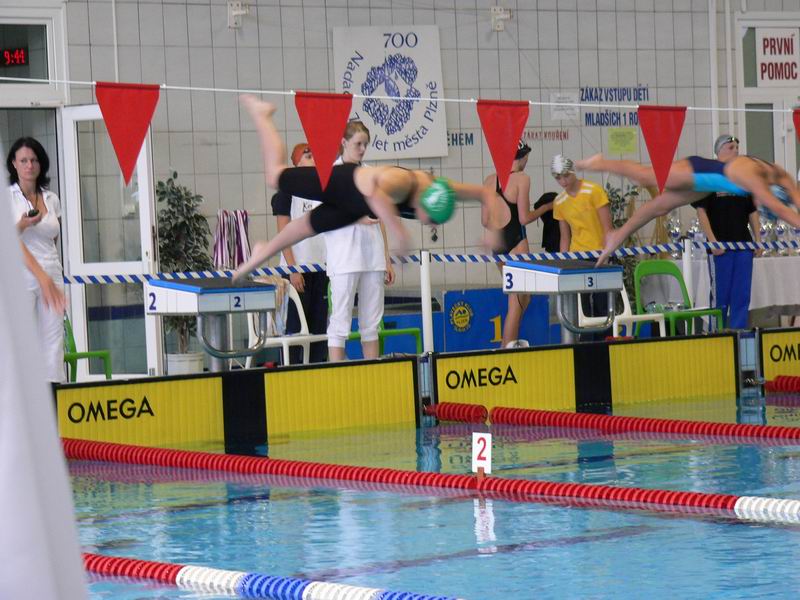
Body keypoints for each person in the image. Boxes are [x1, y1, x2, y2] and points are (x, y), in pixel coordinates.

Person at [232, 95, 510, 281]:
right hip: (344, 184)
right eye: (431, 219)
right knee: (275, 177)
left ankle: (261, 254)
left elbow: (487, 194)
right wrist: (400, 234)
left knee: (303, 228)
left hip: (354, 207)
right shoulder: (404, 184)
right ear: (426, 203)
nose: (429, 224)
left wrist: (493, 234)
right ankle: (263, 116)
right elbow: (375, 195)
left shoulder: (443, 189)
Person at [575, 152, 800, 265]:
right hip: (698, 171)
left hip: (708, 186)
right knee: (646, 177)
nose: (759, 203)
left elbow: (793, 201)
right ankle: (601, 162)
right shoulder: (752, 176)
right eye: (764, 200)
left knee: (659, 207)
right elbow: (780, 209)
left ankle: (617, 236)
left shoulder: (780, 175)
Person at [326, 121, 395, 361]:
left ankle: (372, 372)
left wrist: (386, 258)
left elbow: (381, 217)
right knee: (340, 322)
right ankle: (336, 375)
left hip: (372, 256)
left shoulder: (370, 174)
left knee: (371, 323)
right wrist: (356, 218)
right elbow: (323, 216)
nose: (363, 149)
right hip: (344, 258)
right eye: (358, 144)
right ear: (344, 143)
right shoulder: (330, 175)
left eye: (366, 144)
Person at [7, 137, 67, 383]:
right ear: (14, 164)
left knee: (53, 338)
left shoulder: (51, 199)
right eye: (23, 160)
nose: (29, 165)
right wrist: (22, 224)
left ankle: (52, 390)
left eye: (33, 160)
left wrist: (48, 272)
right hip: (22, 274)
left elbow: (53, 237)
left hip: (51, 271)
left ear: (41, 164)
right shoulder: (8, 197)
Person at [483, 140, 552, 347]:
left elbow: (485, 221)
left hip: (497, 244)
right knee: (516, 302)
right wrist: (546, 208)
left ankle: (508, 343)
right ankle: (507, 348)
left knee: (524, 297)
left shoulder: (489, 180)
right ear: (523, 157)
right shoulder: (522, 179)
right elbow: (524, 218)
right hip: (516, 243)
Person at [691, 135, 761, 330]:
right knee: (721, 296)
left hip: (743, 245)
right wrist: (712, 241)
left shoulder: (743, 179)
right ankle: (717, 335)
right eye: (731, 147)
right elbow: (701, 211)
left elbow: (752, 211)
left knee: (742, 295)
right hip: (720, 247)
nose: (736, 151)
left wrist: (758, 239)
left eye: (737, 147)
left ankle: (740, 334)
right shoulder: (709, 178)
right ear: (719, 151)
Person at [271, 142, 329, 363]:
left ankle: (317, 367)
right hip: (295, 269)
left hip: (320, 269)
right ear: (296, 162)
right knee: (295, 327)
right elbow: (283, 234)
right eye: (307, 154)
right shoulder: (287, 191)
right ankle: (292, 368)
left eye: (314, 153)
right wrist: (293, 269)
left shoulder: (323, 189)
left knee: (319, 328)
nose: (312, 156)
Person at [551, 154, 613, 341]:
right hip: (577, 257)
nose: (563, 181)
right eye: (558, 178)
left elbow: (607, 228)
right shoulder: (559, 202)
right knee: (582, 306)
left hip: (599, 253)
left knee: (602, 304)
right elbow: (565, 237)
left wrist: (607, 253)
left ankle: (605, 344)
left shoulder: (594, 191)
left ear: (573, 172)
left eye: (566, 176)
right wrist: (563, 262)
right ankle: (585, 345)